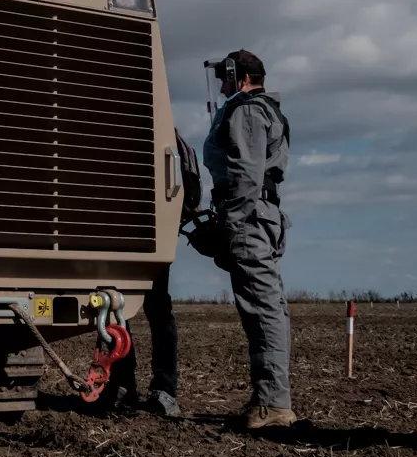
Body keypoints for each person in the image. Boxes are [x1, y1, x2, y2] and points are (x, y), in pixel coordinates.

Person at [204, 49, 294, 429]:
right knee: (266, 306)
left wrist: (230, 224)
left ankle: (273, 404)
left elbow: (246, 173)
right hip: (258, 216)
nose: (220, 87)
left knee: (262, 308)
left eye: (224, 78)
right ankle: (270, 398)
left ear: (238, 77)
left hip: (249, 217)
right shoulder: (263, 108)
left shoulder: (247, 110)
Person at [102, 127, 202, 417]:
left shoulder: (164, 136)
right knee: (126, 311)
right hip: (145, 236)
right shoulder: (172, 136)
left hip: (135, 237)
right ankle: (151, 388)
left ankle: (135, 385)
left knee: (119, 309)